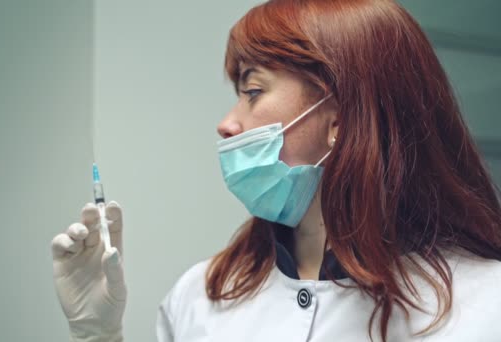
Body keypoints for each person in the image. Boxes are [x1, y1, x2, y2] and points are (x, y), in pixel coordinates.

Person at [51, 0, 501, 341]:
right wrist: (99, 335)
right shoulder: (203, 296)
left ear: (341, 121)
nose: (227, 123)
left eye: (252, 90)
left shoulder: (485, 306)